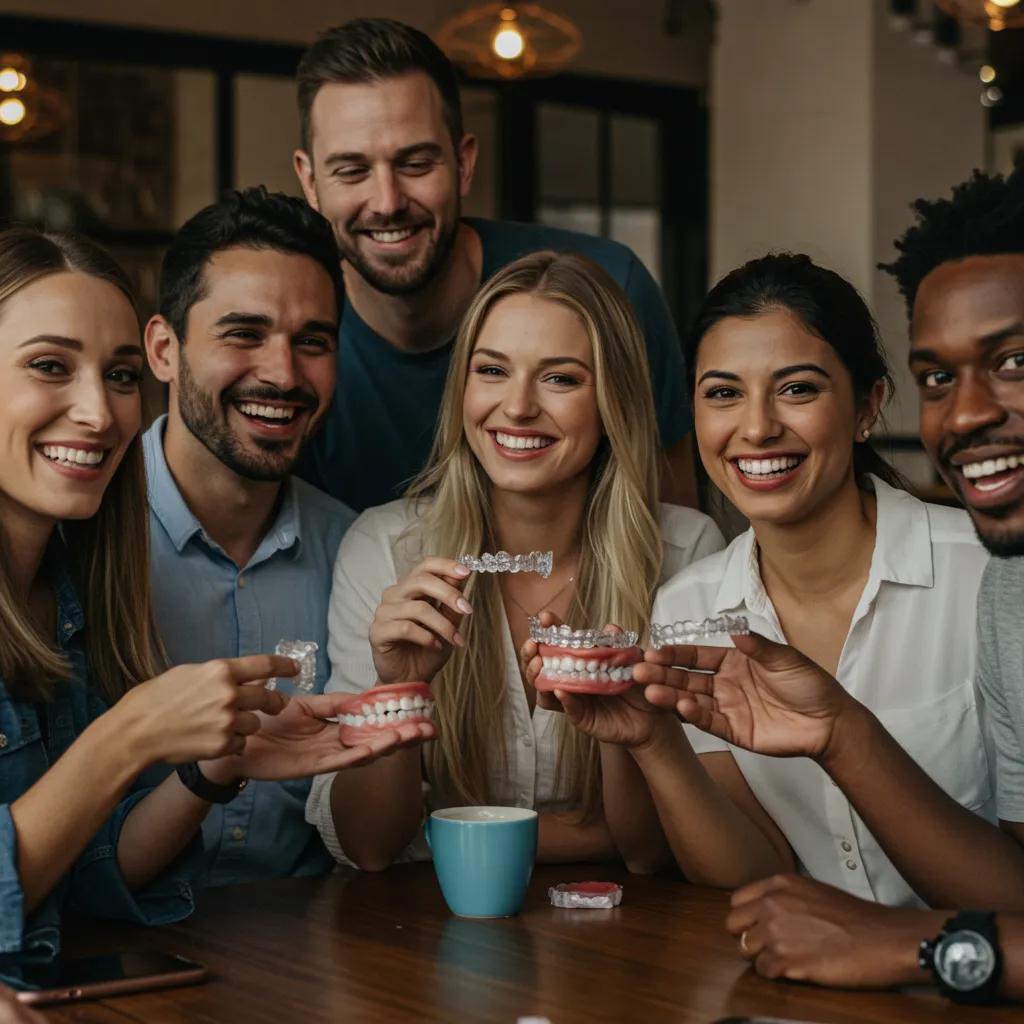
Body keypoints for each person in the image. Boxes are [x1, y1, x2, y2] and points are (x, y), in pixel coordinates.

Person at [0, 227, 421, 984]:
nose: (98, 413)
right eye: (49, 367)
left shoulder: (68, 584)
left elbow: (84, 881)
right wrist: (126, 735)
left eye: (119, 376)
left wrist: (213, 768)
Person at [692, 170, 1024, 1003]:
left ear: (868, 406)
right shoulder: (1014, 592)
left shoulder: (986, 571)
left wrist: (910, 945)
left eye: (1015, 361)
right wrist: (839, 729)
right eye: (940, 378)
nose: (969, 412)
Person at [305, 251, 723, 869]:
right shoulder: (386, 549)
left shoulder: (690, 554)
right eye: (493, 370)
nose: (519, 406)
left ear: (613, 401)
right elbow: (367, 847)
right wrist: (401, 685)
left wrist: (438, 836)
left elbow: (665, 845)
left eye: (561, 378)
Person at [624, 253, 1000, 906]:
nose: (757, 427)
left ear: (867, 406)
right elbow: (754, 872)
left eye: (797, 388)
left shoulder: (987, 576)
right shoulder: (688, 605)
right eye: (722, 393)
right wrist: (655, 742)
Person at [291, 17, 697, 512]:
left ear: (463, 164)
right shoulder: (293, 346)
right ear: (310, 182)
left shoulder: (611, 287)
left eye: (416, 164)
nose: (387, 201)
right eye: (352, 170)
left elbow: (678, 534)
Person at [142, 187, 371, 885]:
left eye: (313, 343)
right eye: (243, 333)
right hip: (101, 947)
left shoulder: (357, 553)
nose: (282, 373)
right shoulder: (79, 536)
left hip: (316, 952)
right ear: (163, 349)